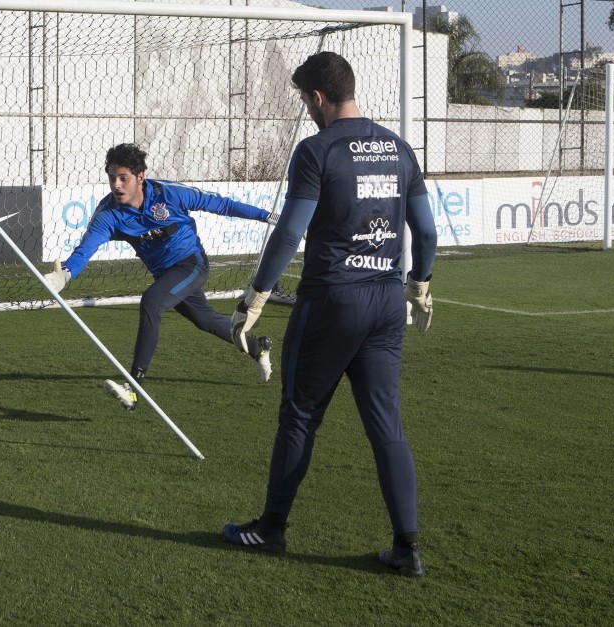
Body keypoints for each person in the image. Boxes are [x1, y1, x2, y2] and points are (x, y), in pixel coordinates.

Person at [221, 52, 437, 578]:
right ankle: (407, 548)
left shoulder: (317, 149)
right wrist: (421, 285)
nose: (306, 109)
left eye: (304, 99)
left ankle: (271, 529)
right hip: (387, 301)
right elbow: (426, 232)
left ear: (317, 97)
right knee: (387, 425)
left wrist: (256, 295)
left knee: (299, 414)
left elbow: (291, 232)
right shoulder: (399, 147)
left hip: (332, 300)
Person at [43, 143, 275, 411]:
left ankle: (133, 387)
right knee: (205, 320)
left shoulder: (168, 193)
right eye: (111, 178)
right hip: (166, 275)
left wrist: (266, 215)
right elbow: (86, 248)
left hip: (191, 264)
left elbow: (220, 204)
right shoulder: (109, 214)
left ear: (140, 177)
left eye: (123, 178)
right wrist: (67, 274)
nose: (116, 185)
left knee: (151, 302)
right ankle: (258, 347)